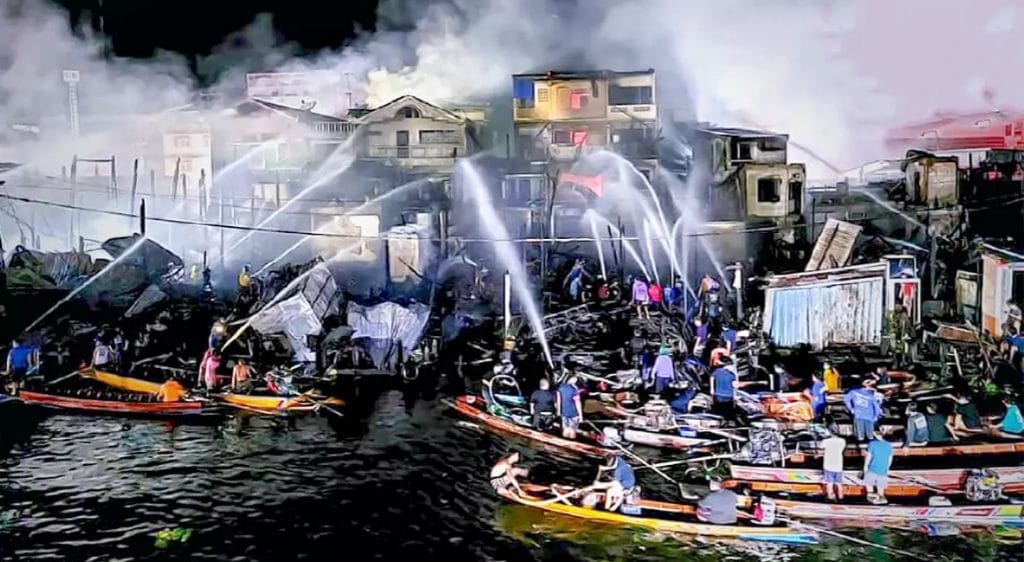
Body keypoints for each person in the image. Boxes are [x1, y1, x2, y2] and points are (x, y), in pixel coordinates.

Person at [863, 434, 894, 504]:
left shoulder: (872, 444)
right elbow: (890, 459)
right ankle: (881, 498)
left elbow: (868, 456)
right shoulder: (889, 445)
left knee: (868, 485)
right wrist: (887, 468)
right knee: (880, 489)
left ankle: (873, 497)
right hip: (883, 469)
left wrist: (865, 466)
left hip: (872, 468)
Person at [710, 357, 740, 424]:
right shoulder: (732, 374)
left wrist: (712, 390)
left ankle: (720, 422)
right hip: (729, 395)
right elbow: (735, 386)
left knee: (719, 409)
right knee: (728, 410)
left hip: (718, 394)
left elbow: (712, 378)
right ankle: (728, 422)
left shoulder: (717, 371)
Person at [821, 426, 847, 501]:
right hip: (838, 466)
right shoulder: (842, 440)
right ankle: (841, 498)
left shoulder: (825, 441)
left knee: (829, 483)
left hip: (828, 465)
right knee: (839, 484)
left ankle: (831, 498)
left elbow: (821, 447)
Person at [556, 375, 583, 439]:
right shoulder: (575, 390)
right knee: (573, 430)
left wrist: (559, 411)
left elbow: (558, 400)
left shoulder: (560, 387)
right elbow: (577, 403)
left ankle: (564, 440)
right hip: (574, 413)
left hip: (564, 412)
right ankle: (572, 440)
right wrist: (581, 416)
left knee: (565, 428)